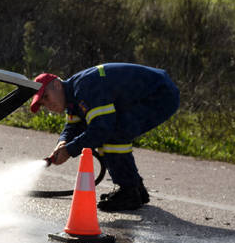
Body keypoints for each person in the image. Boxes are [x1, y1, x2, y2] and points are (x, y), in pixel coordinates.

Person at [30, 63, 180, 212]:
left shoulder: (85, 88)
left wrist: (69, 150)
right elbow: (73, 126)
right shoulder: (73, 96)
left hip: (159, 94)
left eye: (46, 97)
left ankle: (129, 193)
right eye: (43, 104)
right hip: (152, 92)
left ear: (56, 85)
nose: (48, 105)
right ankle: (135, 188)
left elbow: (102, 129)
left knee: (112, 135)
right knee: (111, 132)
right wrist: (62, 142)